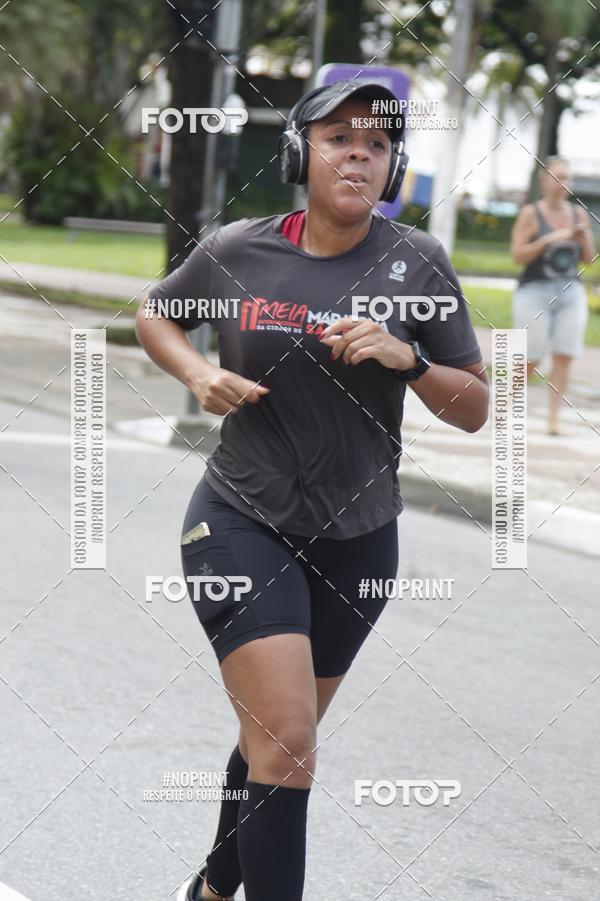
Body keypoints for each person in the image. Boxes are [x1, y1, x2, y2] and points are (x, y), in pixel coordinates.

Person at [135, 80, 489, 901]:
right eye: (339, 138)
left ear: (393, 165)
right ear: (301, 153)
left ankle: (211, 890)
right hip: (241, 516)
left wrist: (409, 358)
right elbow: (156, 313)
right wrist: (197, 372)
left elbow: (474, 408)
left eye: (376, 144)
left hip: (360, 539)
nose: (358, 155)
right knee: (288, 736)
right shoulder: (239, 251)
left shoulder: (419, 263)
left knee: (276, 738)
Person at [510, 156, 596, 435]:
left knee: (564, 355)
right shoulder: (530, 213)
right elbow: (517, 256)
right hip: (534, 291)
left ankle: (553, 420)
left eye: (567, 177)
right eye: (557, 177)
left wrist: (584, 237)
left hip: (570, 291)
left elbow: (589, 259)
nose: (562, 183)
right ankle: (506, 409)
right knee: (531, 357)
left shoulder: (578, 214)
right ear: (544, 180)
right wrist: (548, 238)